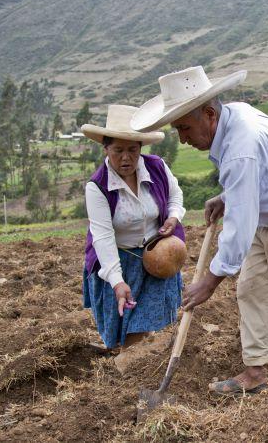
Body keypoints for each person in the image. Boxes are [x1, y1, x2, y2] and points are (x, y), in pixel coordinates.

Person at [131, 66, 268, 396]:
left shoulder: (241, 146)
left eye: (185, 128)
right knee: (252, 289)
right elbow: (253, 182)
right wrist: (227, 197)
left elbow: (240, 222)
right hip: (267, 218)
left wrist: (209, 282)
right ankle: (256, 371)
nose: (183, 138)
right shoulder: (232, 120)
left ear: (209, 115)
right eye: (178, 130)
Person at [81, 104, 186, 353]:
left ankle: (138, 367)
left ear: (141, 148)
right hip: (119, 262)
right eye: (118, 150)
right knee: (124, 331)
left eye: (132, 149)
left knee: (143, 326)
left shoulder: (157, 167)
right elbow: (103, 238)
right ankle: (130, 370)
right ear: (105, 149)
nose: (126, 157)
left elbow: (175, 196)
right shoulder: (97, 187)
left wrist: (173, 217)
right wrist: (117, 282)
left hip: (157, 259)